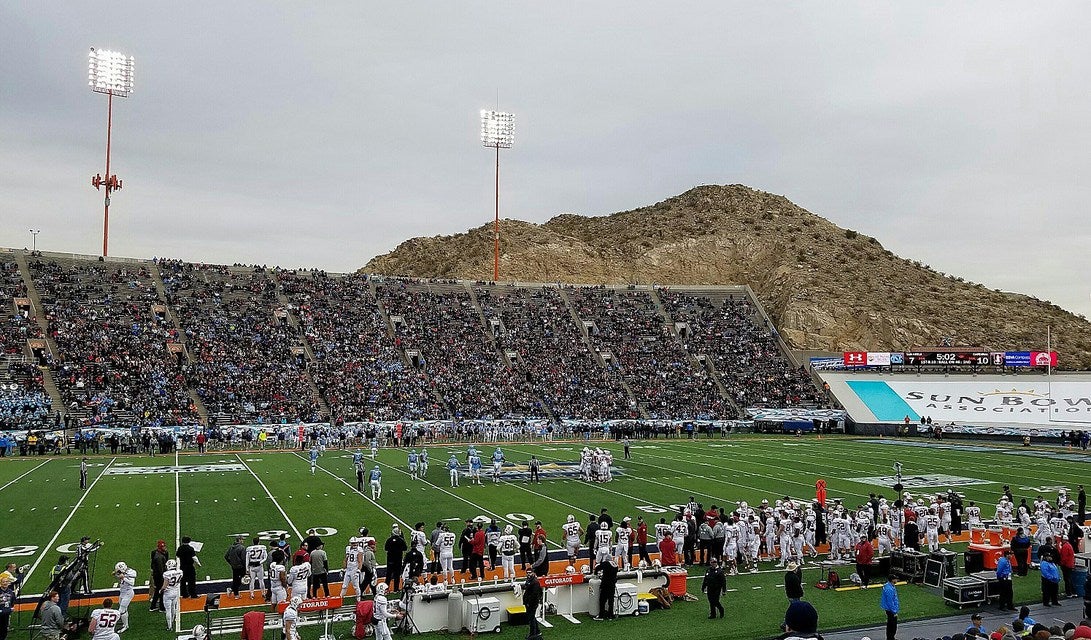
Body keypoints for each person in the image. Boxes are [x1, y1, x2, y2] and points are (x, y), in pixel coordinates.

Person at [112, 561, 136, 633]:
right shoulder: (122, 571)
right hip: (122, 592)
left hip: (128, 592)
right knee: (124, 609)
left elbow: (132, 583)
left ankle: (122, 625)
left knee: (121, 610)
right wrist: (116, 574)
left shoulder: (131, 572)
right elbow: (119, 576)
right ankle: (125, 624)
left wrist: (124, 578)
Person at [385, 526, 407, 592]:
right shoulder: (401, 540)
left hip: (390, 559)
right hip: (398, 559)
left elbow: (386, 548)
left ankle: (385, 588)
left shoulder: (389, 540)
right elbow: (405, 548)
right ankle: (396, 589)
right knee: (397, 575)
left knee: (388, 575)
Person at [162, 560, 183, 630]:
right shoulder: (180, 572)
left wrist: (161, 590)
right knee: (173, 607)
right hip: (176, 592)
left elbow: (165, 585)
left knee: (168, 610)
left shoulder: (166, 574)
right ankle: (172, 620)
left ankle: (169, 626)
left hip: (168, 593)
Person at [523, 570, 543, 640]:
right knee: (532, 617)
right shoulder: (530, 580)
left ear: (533, 573)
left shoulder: (535, 582)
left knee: (531, 618)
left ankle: (533, 634)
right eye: (527, 573)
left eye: (530, 573)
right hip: (529, 602)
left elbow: (535, 594)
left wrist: (529, 602)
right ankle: (537, 631)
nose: (528, 574)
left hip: (532, 603)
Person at [150, 540, 169, 612]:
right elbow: (161, 569)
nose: (165, 547)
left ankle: (153, 606)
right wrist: (164, 577)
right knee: (161, 591)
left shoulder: (158, 553)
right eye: (163, 546)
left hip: (157, 574)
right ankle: (161, 607)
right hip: (159, 576)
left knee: (158, 590)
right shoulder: (159, 557)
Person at [881, 574, 899, 640]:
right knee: (892, 625)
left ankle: (890, 638)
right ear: (892, 580)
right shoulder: (889, 589)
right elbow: (890, 602)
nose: (897, 580)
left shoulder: (889, 586)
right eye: (895, 579)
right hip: (891, 610)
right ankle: (891, 638)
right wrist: (894, 612)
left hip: (889, 609)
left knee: (890, 624)